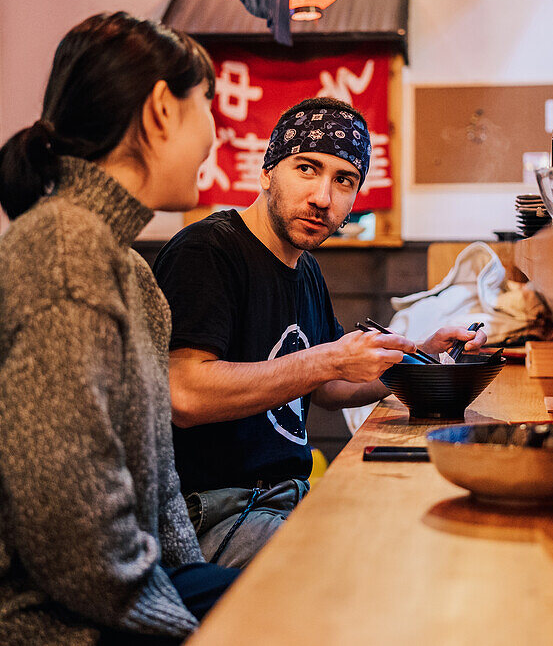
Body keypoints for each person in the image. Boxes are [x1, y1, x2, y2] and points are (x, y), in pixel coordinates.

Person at [0, 12, 238, 645]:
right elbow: (70, 524)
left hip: (80, 593)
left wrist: (193, 580)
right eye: (207, 107)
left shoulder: (126, 268)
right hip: (0, 620)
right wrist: (186, 622)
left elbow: (158, 482)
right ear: (162, 110)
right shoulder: (63, 249)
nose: (216, 136)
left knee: (273, 594)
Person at [152, 97, 487, 568]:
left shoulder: (304, 268)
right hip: (213, 512)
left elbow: (328, 388)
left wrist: (423, 354)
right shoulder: (208, 250)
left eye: (343, 180)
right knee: (368, 567)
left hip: (285, 497)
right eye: (307, 169)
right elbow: (183, 394)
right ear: (267, 172)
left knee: (417, 531)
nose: (323, 198)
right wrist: (326, 359)